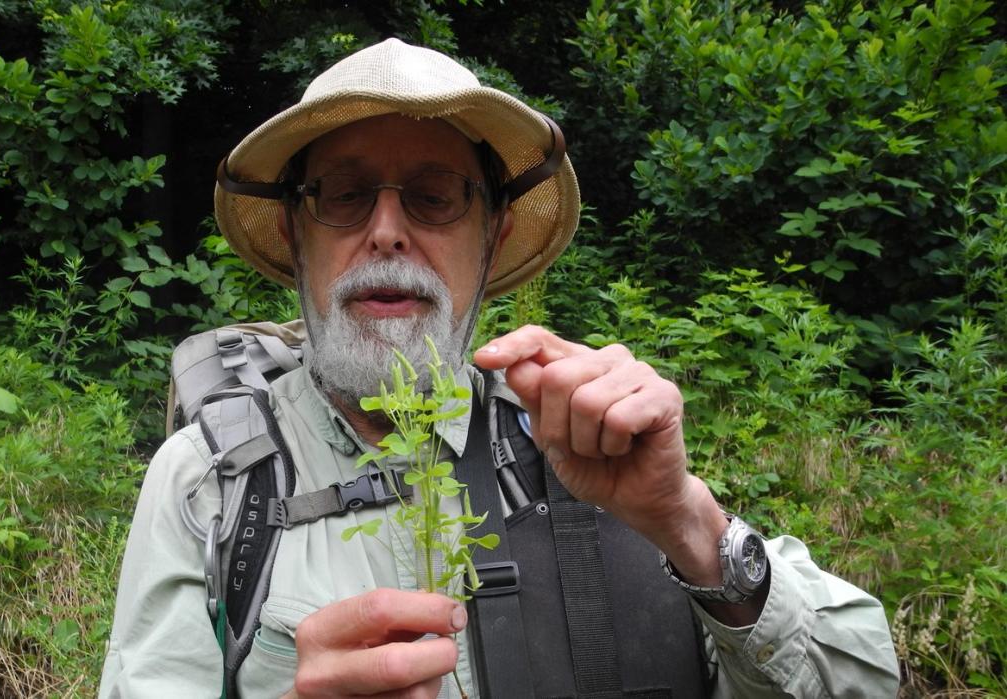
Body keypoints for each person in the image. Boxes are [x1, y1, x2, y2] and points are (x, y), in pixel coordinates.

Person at [99, 38, 900, 698]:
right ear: (296, 234)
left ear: (493, 232)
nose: (385, 232)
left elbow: (867, 679)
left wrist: (685, 520)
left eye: (435, 195)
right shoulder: (209, 481)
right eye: (342, 195)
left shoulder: (586, 438)